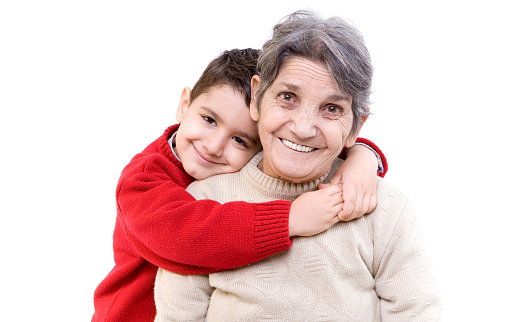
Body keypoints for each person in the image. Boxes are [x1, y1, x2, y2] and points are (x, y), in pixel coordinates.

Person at [154, 10, 441, 321]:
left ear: (356, 127)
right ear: (256, 98)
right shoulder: (201, 205)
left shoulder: (383, 210)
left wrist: (365, 156)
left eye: (332, 108)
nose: (303, 128)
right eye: (288, 97)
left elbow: (417, 313)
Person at [92, 48, 388, 322]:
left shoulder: (239, 170)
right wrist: (289, 220)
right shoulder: (143, 179)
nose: (214, 146)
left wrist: (362, 156)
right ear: (185, 104)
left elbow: (305, 150)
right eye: (209, 119)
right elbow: (186, 237)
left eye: (239, 140)